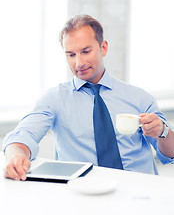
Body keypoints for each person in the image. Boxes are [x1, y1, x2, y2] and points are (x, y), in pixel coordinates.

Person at [2, 14, 174, 181]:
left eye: (85, 51)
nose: (79, 63)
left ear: (103, 47)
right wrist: (16, 155)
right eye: (71, 54)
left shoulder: (139, 97)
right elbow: (24, 134)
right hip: (83, 194)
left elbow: (170, 154)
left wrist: (162, 131)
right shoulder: (55, 99)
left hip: (140, 193)